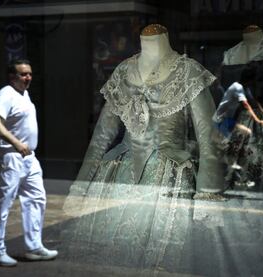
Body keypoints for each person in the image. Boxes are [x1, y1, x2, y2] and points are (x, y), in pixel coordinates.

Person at [62, 24, 224, 274]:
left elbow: (208, 137)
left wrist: (208, 193)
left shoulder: (188, 71)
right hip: (121, 172)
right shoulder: (124, 71)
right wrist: (81, 186)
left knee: (162, 258)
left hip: (169, 176)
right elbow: (102, 136)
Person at [0, 59, 58, 267]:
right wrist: (17, 143)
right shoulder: (6, 94)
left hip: (29, 158)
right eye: (23, 74)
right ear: (12, 77)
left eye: (29, 74)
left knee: (37, 198)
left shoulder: (24, 94)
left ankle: (33, 247)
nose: (28, 77)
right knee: (3, 204)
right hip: (11, 157)